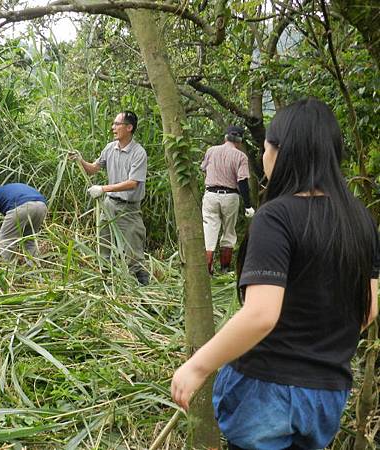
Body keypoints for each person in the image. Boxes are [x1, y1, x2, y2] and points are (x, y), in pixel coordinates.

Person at [171, 98, 379, 450]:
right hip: (327, 392)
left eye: (266, 145)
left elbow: (261, 315)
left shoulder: (277, 217)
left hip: (266, 390)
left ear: (283, 151)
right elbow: (369, 309)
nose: (263, 155)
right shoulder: (360, 219)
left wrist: (197, 366)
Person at [69, 111, 149, 285]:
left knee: (133, 251)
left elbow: (133, 183)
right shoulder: (109, 148)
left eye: (117, 124)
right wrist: (80, 160)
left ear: (129, 127)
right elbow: (94, 169)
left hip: (128, 208)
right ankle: (107, 282)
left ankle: (143, 292)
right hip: (109, 204)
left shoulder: (138, 153)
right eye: (113, 124)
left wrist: (103, 188)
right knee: (104, 244)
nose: (113, 127)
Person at [201, 125, 255, 274]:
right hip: (230, 196)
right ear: (239, 141)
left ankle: (208, 270)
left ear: (225, 137)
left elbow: (203, 169)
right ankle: (225, 269)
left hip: (211, 194)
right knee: (229, 232)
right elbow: (242, 182)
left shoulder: (211, 151)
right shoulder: (241, 157)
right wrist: (248, 205)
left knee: (209, 231)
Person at [0, 183, 48, 262]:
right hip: (42, 206)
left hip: (23, 206)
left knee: (6, 240)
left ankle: (5, 269)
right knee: (29, 240)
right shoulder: (8, 190)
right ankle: (34, 267)